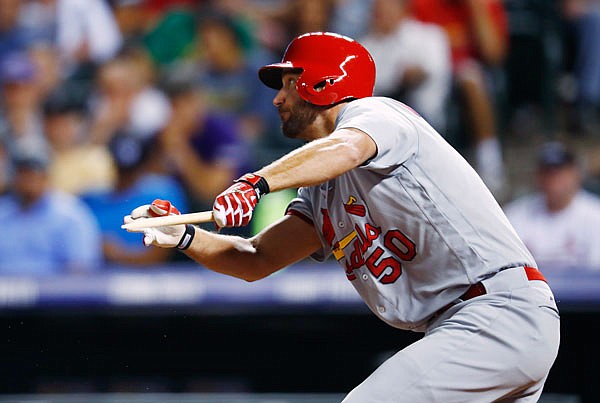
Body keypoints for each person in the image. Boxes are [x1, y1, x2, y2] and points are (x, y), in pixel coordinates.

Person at [124, 32, 560, 401]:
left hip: (494, 309)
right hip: (467, 327)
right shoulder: (322, 187)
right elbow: (255, 258)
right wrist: (186, 236)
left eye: (288, 82)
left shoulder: (378, 115)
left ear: (322, 82)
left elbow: (347, 148)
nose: (277, 98)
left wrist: (253, 183)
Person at [412, 0, 509, 199]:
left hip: (470, 70)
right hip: (432, 72)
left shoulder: (485, 4)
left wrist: (477, 10)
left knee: (471, 78)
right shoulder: (423, 4)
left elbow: (493, 54)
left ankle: (489, 161)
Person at [0, 149, 101, 275]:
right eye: (22, 173)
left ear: (46, 176)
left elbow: (81, 268)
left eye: (33, 173)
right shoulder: (3, 211)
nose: (28, 180)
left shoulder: (70, 214)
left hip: (55, 292)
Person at [504, 141, 600, 271]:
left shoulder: (594, 215)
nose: (553, 178)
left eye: (559, 171)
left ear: (576, 173)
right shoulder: (516, 215)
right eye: (547, 171)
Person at [360, 0, 451, 132]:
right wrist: (397, 80)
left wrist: (417, 74)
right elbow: (369, 90)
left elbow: (438, 72)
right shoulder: (366, 47)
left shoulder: (430, 36)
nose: (384, 12)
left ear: (404, 9)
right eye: (379, 8)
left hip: (424, 117)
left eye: (389, 7)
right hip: (382, 119)